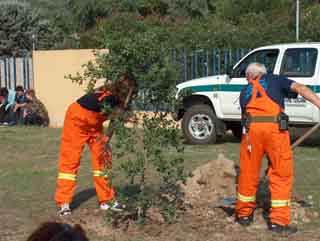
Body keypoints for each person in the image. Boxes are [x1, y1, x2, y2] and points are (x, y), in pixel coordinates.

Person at [235, 63, 320, 234]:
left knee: (248, 172)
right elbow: (300, 88)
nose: (246, 80)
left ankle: (244, 215)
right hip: (275, 131)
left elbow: (245, 117)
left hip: (251, 133)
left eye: (246, 77)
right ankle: (278, 223)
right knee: (281, 174)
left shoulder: (244, 92)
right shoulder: (276, 80)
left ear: (250, 76)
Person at [55, 75, 136, 216]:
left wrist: (105, 141)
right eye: (132, 93)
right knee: (70, 160)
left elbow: (114, 122)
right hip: (76, 120)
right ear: (125, 91)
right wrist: (124, 116)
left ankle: (107, 201)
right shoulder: (107, 98)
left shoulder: (119, 102)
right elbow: (115, 115)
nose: (134, 96)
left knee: (103, 159)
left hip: (94, 125)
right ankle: (64, 203)